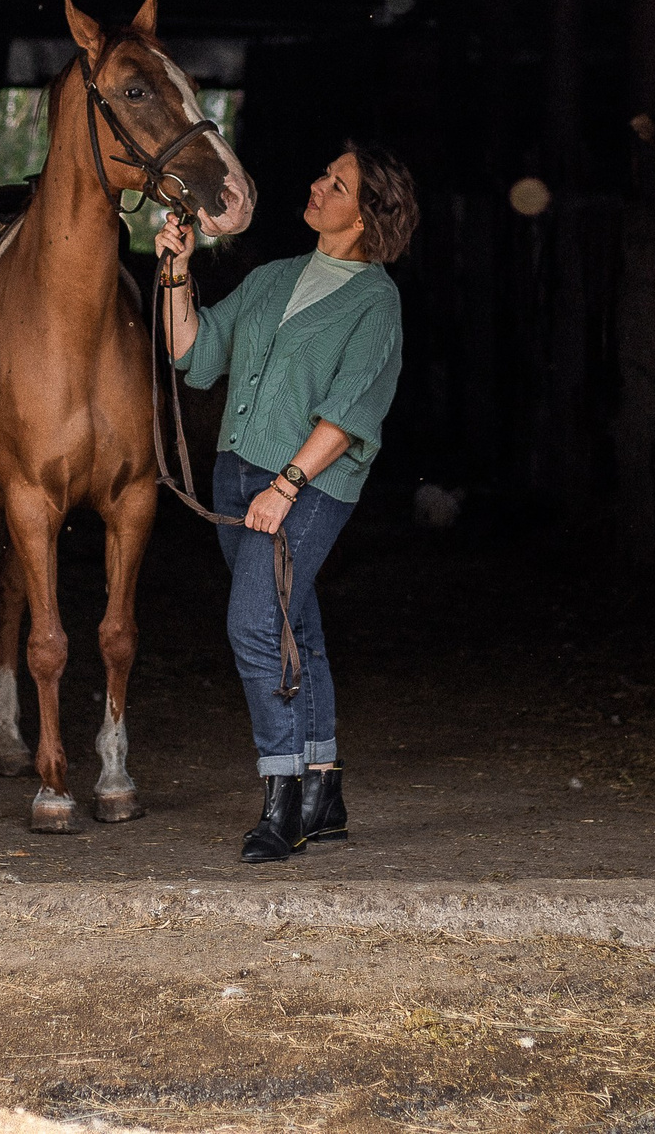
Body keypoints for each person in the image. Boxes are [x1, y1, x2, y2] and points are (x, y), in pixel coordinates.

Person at [157, 142, 417, 863]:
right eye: (323, 172)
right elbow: (196, 352)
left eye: (337, 183)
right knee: (294, 623)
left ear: (365, 217)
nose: (317, 184)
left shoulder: (376, 301)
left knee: (254, 625)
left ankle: (284, 803)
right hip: (236, 475)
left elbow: (348, 412)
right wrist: (175, 266)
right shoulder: (274, 277)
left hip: (304, 486)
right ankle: (324, 789)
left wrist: (286, 485)